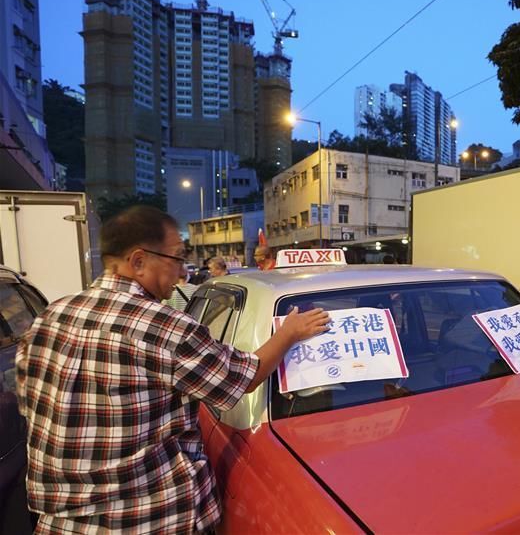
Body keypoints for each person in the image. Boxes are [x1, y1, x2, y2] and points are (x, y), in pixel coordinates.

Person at [16, 206, 330, 534]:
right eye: (177, 257)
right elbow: (243, 378)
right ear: (138, 261)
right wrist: (289, 333)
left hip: (61, 523)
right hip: (148, 518)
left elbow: (32, 405)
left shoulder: (52, 315)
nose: (182, 270)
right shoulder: (163, 325)